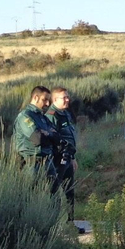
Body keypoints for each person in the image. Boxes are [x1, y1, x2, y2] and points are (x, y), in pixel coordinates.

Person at [13, 85, 57, 183]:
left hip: (47, 162)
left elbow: (57, 137)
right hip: (31, 165)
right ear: (35, 98)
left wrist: (46, 133)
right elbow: (37, 139)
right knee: (30, 195)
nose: (48, 103)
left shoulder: (43, 117)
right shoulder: (25, 116)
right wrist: (48, 134)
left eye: (48, 100)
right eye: (44, 100)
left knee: (56, 195)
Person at [50, 87, 78, 220]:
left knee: (69, 191)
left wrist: (72, 157)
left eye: (68, 97)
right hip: (57, 160)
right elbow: (52, 138)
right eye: (64, 97)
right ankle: (53, 223)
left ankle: (70, 222)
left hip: (67, 158)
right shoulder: (52, 115)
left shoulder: (65, 113)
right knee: (54, 192)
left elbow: (69, 137)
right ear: (55, 99)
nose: (68, 99)